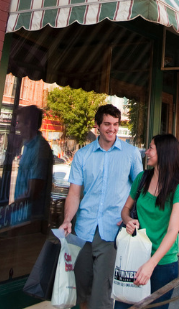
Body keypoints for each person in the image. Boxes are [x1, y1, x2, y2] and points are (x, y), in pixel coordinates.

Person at [59, 104, 144, 309]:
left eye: (115, 124)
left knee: (102, 294)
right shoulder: (83, 155)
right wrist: (67, 220)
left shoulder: (131, 154)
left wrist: (130, 217)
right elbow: (74, 193)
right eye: (107, 124)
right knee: (82, 290)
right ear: (97, 125)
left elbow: (139, 191)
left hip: (113, 231)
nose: (112, 129)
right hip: (84, 230)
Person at [115, 134, 179, 309]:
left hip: (162, 264)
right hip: (135, 256)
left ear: (163, 153)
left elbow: (173, 231)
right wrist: (128, 220)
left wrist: (151, 264)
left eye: (151, 148)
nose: (146, 152)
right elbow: (125, 210)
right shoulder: (142, 178)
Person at [13, 105, 53, 218]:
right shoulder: (27, 146)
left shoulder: (40, 148)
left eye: (19, 122)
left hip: (29, 220)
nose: (17, 127)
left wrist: (8, 210)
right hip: (19, 216)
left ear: (29, 123)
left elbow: (33, 191)